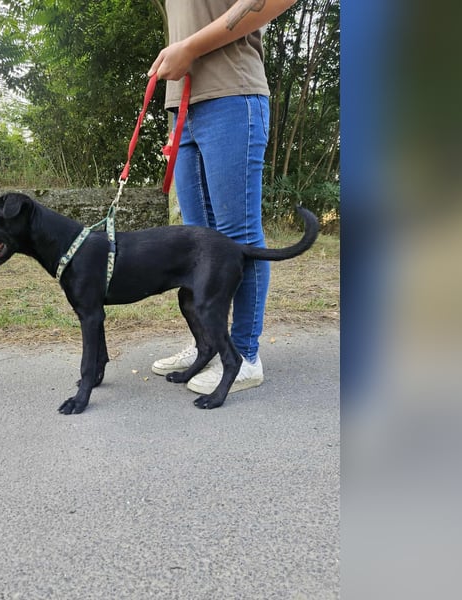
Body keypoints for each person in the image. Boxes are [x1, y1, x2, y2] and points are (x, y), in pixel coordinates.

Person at [148, 0, 299, 395]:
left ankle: (246, 356)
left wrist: (190, 48)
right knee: (197, 244)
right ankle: (210, 346)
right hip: (184, 107)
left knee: (238, 239)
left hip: (232, 97)